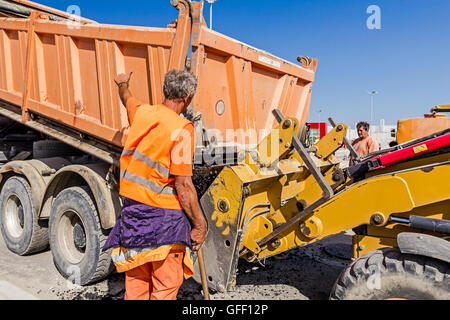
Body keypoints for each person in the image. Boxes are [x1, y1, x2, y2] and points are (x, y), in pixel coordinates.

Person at [103, 69, 207, 300]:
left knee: (136, 288)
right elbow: (183, 186)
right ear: (188, 96)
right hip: (165, 226)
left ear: (164, 91)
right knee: (164, 289)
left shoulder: (141, 113)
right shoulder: (182, 130)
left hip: (133, 220)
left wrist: (122, 83)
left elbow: (126, 98)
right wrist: (200, 226)